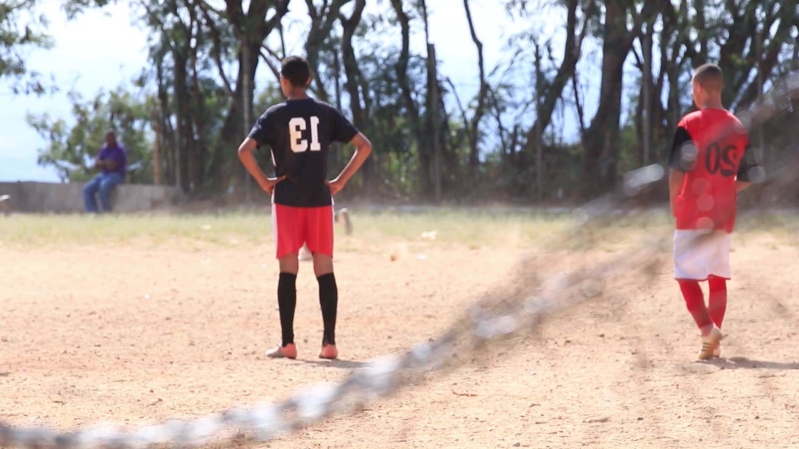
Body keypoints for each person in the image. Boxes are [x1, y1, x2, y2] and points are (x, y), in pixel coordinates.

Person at [237, 56, 372, 360]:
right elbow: (365, 145)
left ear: (284, 81)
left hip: (286, 201)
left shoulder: (274, 115)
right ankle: (329, 343)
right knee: (325, 269)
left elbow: (244, 151)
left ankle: (288, 343)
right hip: (320, 201)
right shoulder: (325, 112)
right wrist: (339, 181)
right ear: (309, 79)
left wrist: (263, 182)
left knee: (288, 269)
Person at [668, 63, 761, 360]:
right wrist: (725, 189)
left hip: (691, 209)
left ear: (699, 89)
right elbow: (748, 176)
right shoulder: (737, 126)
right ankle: (713, 341)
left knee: (685, 275)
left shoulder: (689, 122)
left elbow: (676, 172)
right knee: (717, 274)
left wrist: (674, 201)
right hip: (722, 212)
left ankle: (708, 329)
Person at [83, 130, 127, 213]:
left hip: (117, 175)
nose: (107, 140)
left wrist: (102, 163)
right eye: (106, 138)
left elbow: (112, 166)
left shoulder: (119, 150)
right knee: (87, 189)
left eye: (109, 137)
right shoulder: (104, 148)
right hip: (104, 174)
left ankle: (106, 211)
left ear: (114, 138)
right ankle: (92, 212)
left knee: (103, 186)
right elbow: (96, 164)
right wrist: (106, 162)